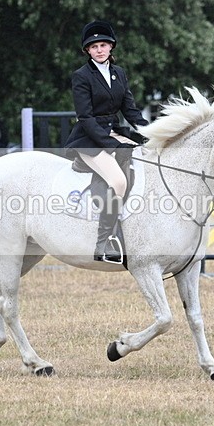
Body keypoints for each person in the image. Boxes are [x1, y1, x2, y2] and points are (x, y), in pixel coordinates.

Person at [64, 20, 149, 264]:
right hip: (88, 138)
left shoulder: (119, 73)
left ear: (111, 47)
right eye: (94, 47)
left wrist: (150, 133)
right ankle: (104, 242)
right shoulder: (81, 76)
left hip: (113, 132)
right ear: (88, 51)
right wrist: (111, 144)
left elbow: (129, 110)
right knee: (118, 181)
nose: (99, 50)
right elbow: (85, 117)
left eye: (103, 45)